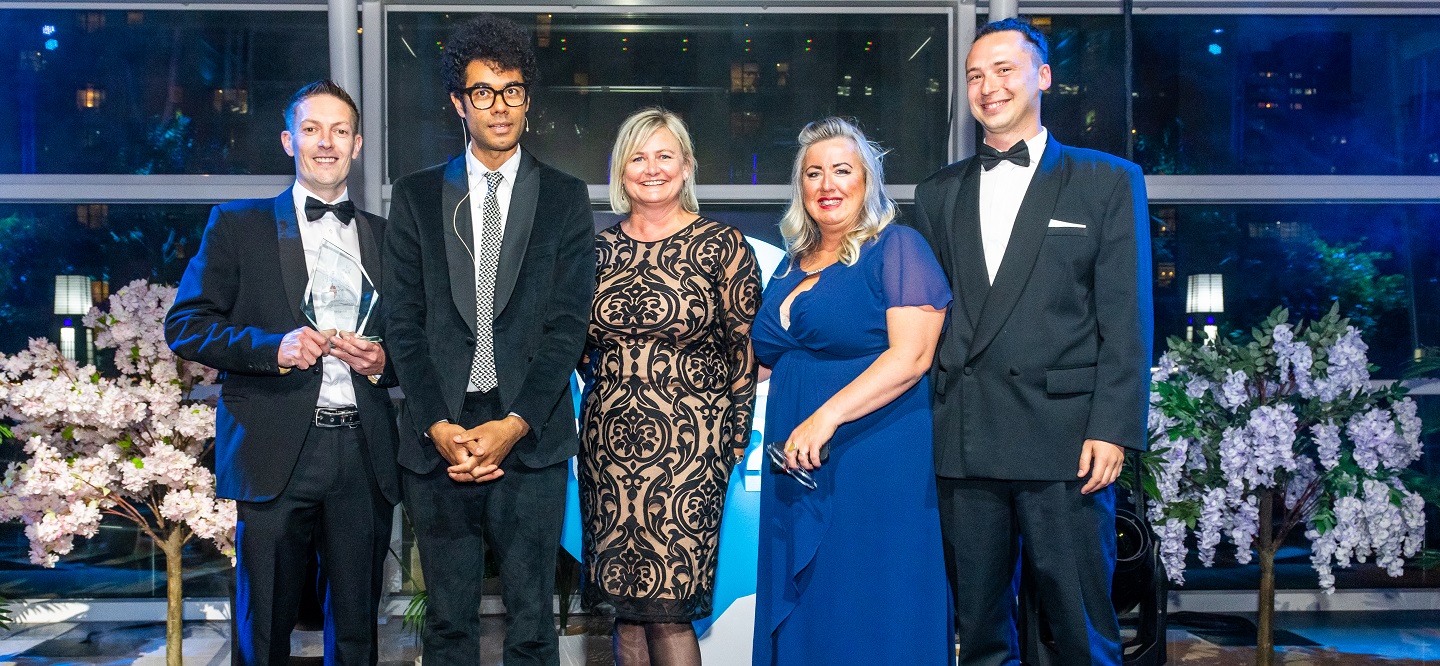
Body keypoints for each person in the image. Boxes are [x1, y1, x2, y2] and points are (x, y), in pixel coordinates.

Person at [907, 18, 1154, 666]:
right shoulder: (935, 193)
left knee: (1082, 632)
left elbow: (1127, 316)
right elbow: (922, 316)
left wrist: (1114, 428)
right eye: (975, 76)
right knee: (980, 633)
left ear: (1043, 76)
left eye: (1004, 70)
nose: (988, 87)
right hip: (965, 439)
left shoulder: (1107, 181)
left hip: (1067, 440)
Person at [382, 14, 595, 665]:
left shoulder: (565, 198)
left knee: (534, 624)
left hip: (528, 433)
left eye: (511, 90)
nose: (498, 106)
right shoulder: (416, 197)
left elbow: (568, 326)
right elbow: (403, 325)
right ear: (458, 102)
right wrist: (439, 425)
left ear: (528, 98)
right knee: (447, 624)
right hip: (439, 433)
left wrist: (515, 423)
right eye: (482, 91)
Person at [165, 80, 398, 665]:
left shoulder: (388, 238)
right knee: (263, 625)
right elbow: (186, 326)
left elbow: (415, 338)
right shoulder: (237, 225)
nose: (327, 142)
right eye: (313, 130)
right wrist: (275, 348)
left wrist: (385, 361)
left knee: (357, 632)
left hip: (363, 454)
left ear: (358, 144)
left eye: (340, 131)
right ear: (288, 141)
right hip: (273, 449)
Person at [751, 117, 953, 665]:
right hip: (796, 460)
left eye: (842, 170)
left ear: (868, 180)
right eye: (813, 173)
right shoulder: (791, 265)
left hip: (872, 454)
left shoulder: (896, 247)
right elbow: (767, 358)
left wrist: (825, 418)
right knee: (811, 599)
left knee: (868, 595)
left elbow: (911, 357)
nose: (826, 184)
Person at [579, 107, 760, 666]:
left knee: (670, 609)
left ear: (686, 167)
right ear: (620, 171)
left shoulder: (722, 246)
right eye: (638, 156)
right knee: (626, 610)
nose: (651, 168)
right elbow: (583, 352)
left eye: (665, 155)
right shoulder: (596, 252)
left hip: (690, 454)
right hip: (607, 453)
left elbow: (744, 353)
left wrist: (727, 444)